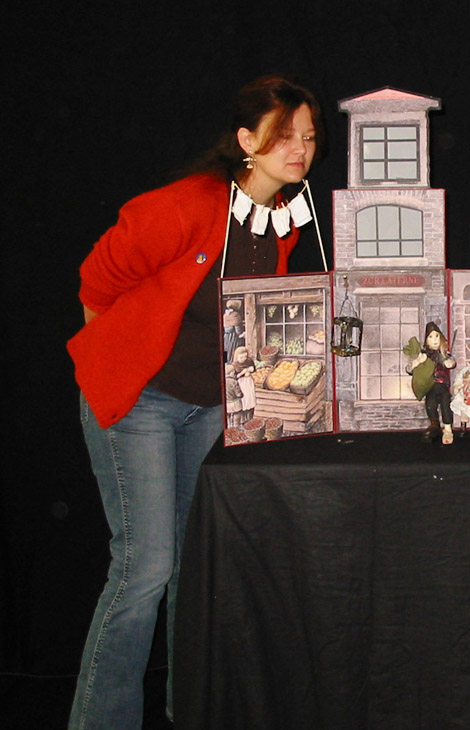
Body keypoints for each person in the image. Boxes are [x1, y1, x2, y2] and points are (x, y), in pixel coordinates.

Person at [65, 74, 324, 730]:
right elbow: (96, 285)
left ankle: (190, 710)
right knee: (144, 569)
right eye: (284, 136)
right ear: (246, 141)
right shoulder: (185, 205)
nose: (300, 149)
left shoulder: (280, 224)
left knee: (194, 565)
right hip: (142, 404)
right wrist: (120, 360)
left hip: (209, 408)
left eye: (308, 137)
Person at [405, 322, 456, 444]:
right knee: (430, 404)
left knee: (445, 404)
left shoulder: (443, 353)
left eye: (437, 336)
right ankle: (434, 425)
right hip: (430, 385)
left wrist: (450, 362)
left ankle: (448, 429)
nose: (434, 340)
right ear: (426, 340)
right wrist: (417, 362)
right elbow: (409, 369)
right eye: (431, 337)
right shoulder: (423, 354)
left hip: (442, 385)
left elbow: (449, 362)